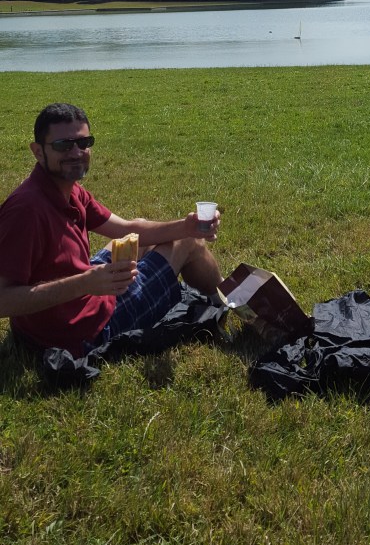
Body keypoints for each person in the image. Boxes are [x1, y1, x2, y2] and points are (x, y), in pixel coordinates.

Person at [0, 103, 223, 358]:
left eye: (83, 143)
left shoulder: (67, 190)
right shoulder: (26, 211)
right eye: (63, 145)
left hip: (63, 312)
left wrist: (187, 226)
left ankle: (219, 293)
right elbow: (3, 299)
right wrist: (85, 283)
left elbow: (126, 228)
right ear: (38, 152)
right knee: (187, 243)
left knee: (140, 236)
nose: (76, 152)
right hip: (83, 332)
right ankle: (228, 304)